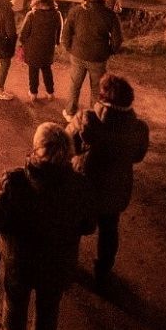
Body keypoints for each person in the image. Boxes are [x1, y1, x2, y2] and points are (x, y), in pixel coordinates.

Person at [0, 123, 95, 330]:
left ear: (37, 148)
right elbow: (88, 226)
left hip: (21, 263)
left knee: (15, 304)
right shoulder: (80, 185)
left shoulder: (16, 181)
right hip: (58, 265)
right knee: (48, 310)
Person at [66, 74, 149, 289]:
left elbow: (67, 145)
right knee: (110, 229)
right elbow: (138, 156)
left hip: (85, 184)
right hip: (116, 188)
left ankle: (68, 264)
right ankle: (103, 271)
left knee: (74, 226)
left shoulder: (87, 119)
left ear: (102, 97)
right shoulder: (139, 128)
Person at [61, 0, 123, 121]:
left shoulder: (76, 11)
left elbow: (66, 33)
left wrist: (70, 48)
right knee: (97, 88)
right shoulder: (110, 15)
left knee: (74, 84)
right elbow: (117, 40)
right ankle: (94, 116)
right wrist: (109, 51)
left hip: (77, 54)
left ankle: (70, 112)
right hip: (98, 57)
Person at [19, 0, 62, 102]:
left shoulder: (32, 14)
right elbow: (59, 31)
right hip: (48, 49)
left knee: (33, 71)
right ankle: (50, 92)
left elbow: (24, 32)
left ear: (39, 1)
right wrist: (57, 42)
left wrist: (22, 42)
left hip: (33, 48)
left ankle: (33, 93)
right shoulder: (57, 15)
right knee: (47, 70)